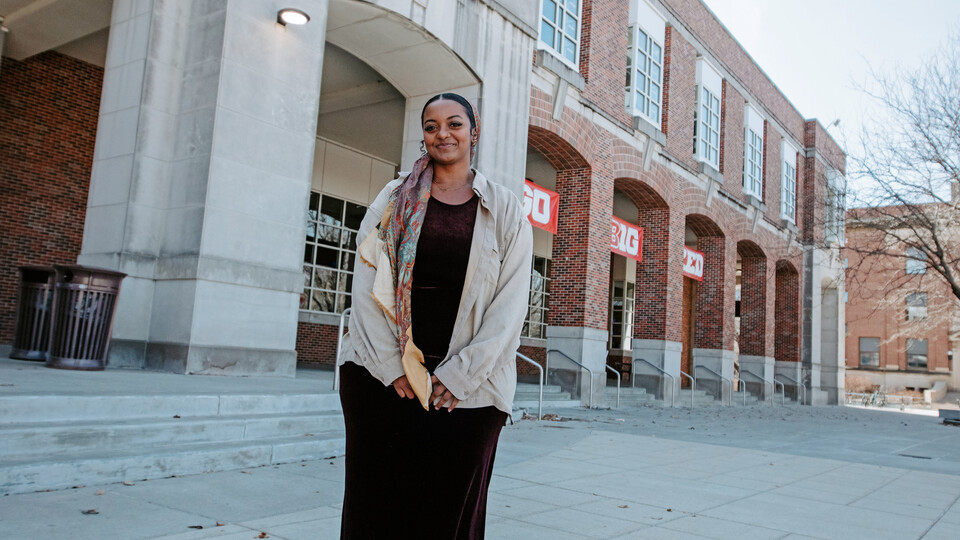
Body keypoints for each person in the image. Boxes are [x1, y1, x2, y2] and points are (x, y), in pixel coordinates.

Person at [337, 92, 533, 539]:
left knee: (447, 519)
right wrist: (392, 368)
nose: (442, 133)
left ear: (474, 130)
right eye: (431, 126)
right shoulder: (394, 197)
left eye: (454, 123)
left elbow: (510, 305)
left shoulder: (504, 209)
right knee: (376, 516)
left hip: (468, 391)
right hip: (384, 382)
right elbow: (365, 285)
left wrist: (460, 376)